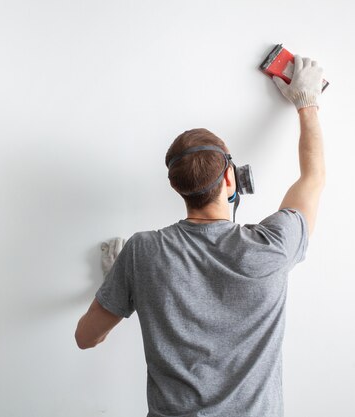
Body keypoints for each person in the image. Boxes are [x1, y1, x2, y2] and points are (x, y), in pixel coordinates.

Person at [75, 55, 326, 417]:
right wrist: (307, 103)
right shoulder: (272, 246)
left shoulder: (142, 252)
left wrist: (122, 281)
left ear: (177, 188)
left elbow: (86, 338)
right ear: (230, 179)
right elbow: (312, 178)